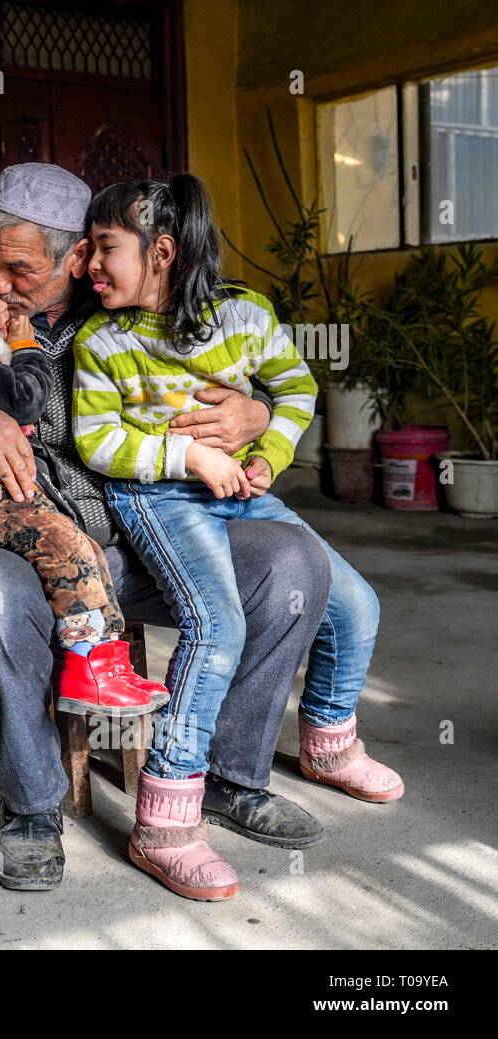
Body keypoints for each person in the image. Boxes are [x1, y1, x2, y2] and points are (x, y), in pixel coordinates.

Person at [0, 162, 332, 892]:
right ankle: (31, 805)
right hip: (31, 549)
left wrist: (256, 412)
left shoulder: (131, 301)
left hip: (159, 540)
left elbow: (262, 372)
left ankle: (230, 774)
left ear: (79, 257)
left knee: (292, 562)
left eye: (20, 267)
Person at [74, 173, 403, 901]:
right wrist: (191, 456)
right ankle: (165, 820)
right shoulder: (105, 339)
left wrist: (265, 456)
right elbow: (98, 441)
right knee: (213, 621)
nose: (91, 266)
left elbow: (297, 390)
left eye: (105, 249)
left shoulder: (246, 316)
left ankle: (328, 743)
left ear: (162, 252)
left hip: (241, 494)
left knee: (356, 604)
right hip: (162, 496)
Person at [0, 252, 168, 716]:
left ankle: (104, 661)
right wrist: (25, 347)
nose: (2, 300)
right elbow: (24, 400)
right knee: (64, 545)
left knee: (79, 546)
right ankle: (88, 671)